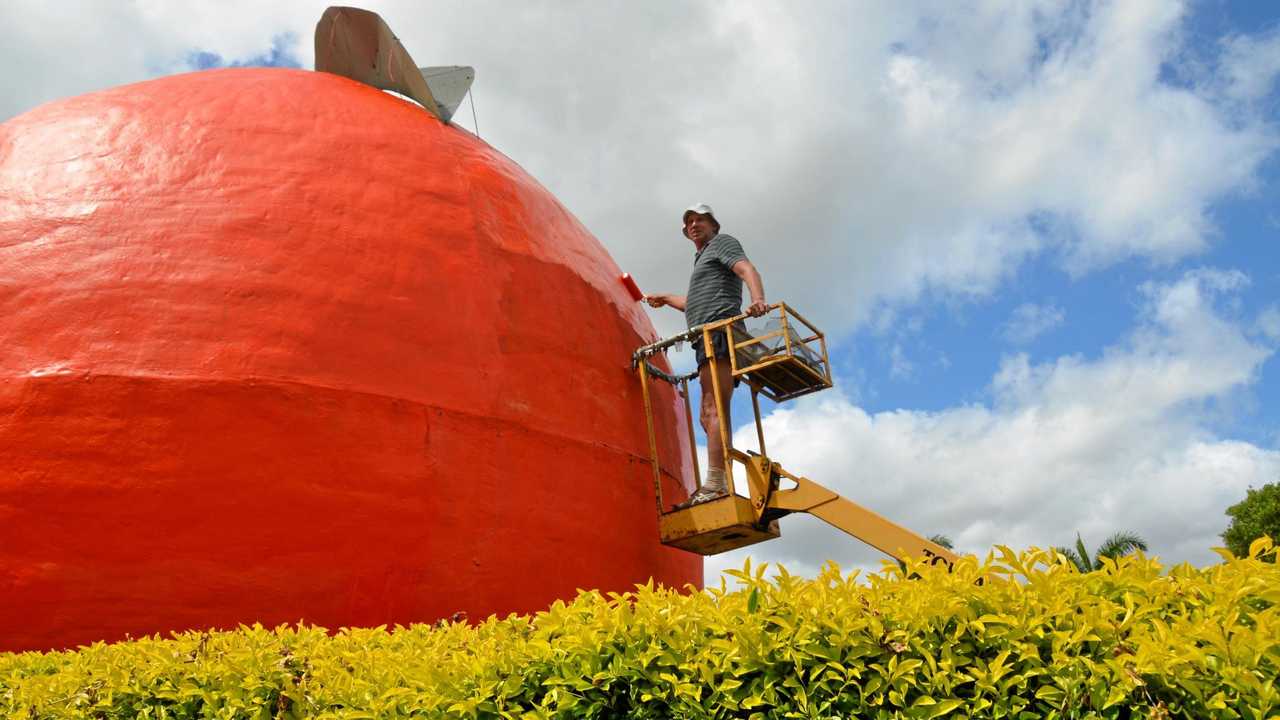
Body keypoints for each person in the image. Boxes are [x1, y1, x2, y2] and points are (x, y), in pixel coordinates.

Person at [646, 203, 767, 506]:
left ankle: (715, 483)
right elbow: (694, 303)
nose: (693, 225)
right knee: (706, 414)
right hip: (706, 338)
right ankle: (718, 476)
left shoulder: (722, 244)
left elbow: (746, 268)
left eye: (700, 220)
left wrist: (758, 299)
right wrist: (666, 298)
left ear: (714, 225)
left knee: (714, 408)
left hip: (718, 335)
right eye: (688, 222)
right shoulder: (702, 259)